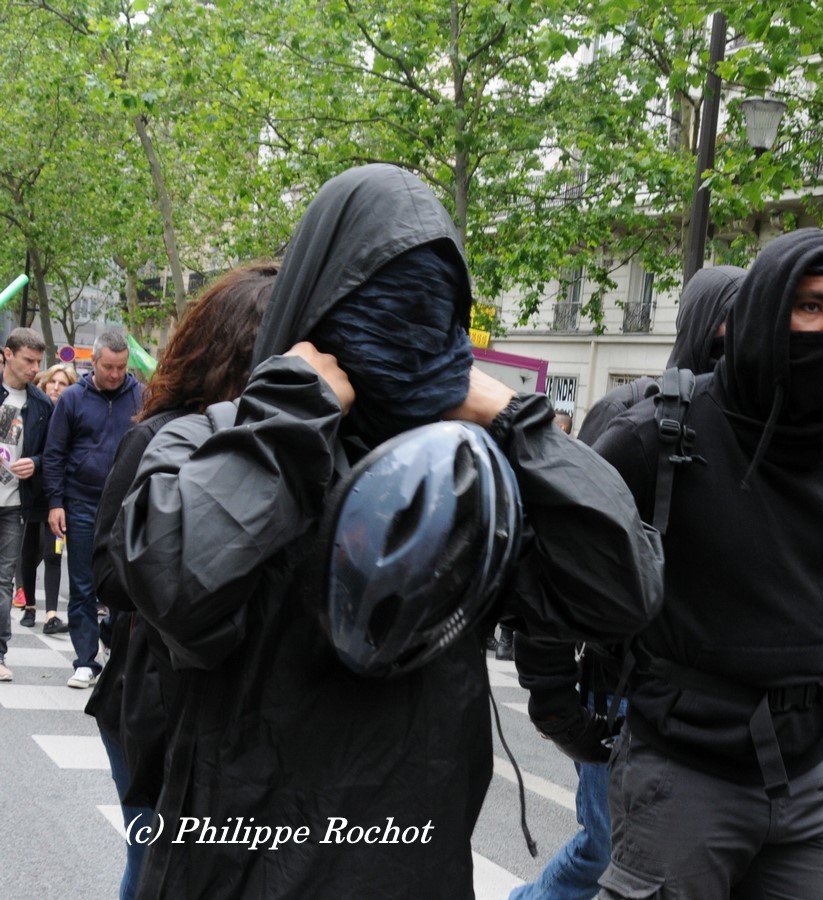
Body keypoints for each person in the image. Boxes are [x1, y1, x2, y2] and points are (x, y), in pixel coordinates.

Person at [108, 163, 661, 898]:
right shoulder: (210, 442)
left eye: (428, 305)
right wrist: (288, 417)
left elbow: (621, 590)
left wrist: (520, 424)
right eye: (382, 302)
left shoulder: (465, 479)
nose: (405, 328)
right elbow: (175, 582)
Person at [591, 230, 823, 898]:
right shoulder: (656, 435)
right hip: (679, 771)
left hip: (809, 778)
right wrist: (557, 703)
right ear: (764, 310)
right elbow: (560, 568)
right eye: (812, 306)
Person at [511, 264, 743, 900]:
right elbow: (563, 556)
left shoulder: (761, 433)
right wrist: (555, 697)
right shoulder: (633, 416)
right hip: (623, 694)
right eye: (729, 325)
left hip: (713, 711)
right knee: (607, 851)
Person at [87, 261, 276, 900]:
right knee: (156, 869)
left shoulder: (285, 443)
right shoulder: (158, 438)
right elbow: (106, 572)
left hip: (239, 710)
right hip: (153, 701)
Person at [43, 331, 142, 688]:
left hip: (126, 503)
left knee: (123, 581)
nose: (115, 374)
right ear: (94, 362)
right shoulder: (73, 398)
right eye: (108, 367)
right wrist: (55, 502)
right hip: (81, 502)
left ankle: (112, 641)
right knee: (82, 583)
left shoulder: (141, 397)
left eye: (121, 367)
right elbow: (54, 453)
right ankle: (85, 660)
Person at [0, 328, 53, 682]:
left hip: (15, 504)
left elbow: (52, 453)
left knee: (4, 580)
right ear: (8, 354)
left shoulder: (42, 404)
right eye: (28, 360)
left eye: (38, 361)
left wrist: (35, 462)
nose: (35, 368)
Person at [16, 362, 77, 631]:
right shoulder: (37, 411)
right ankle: (30, 606)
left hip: (58, 495)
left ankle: (51, 614)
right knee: (29, 552)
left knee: (53, 553)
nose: (56, 387)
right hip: (32, 490)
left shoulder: (71, 414)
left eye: (63, 384)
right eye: (53, 382)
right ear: (44, 384)